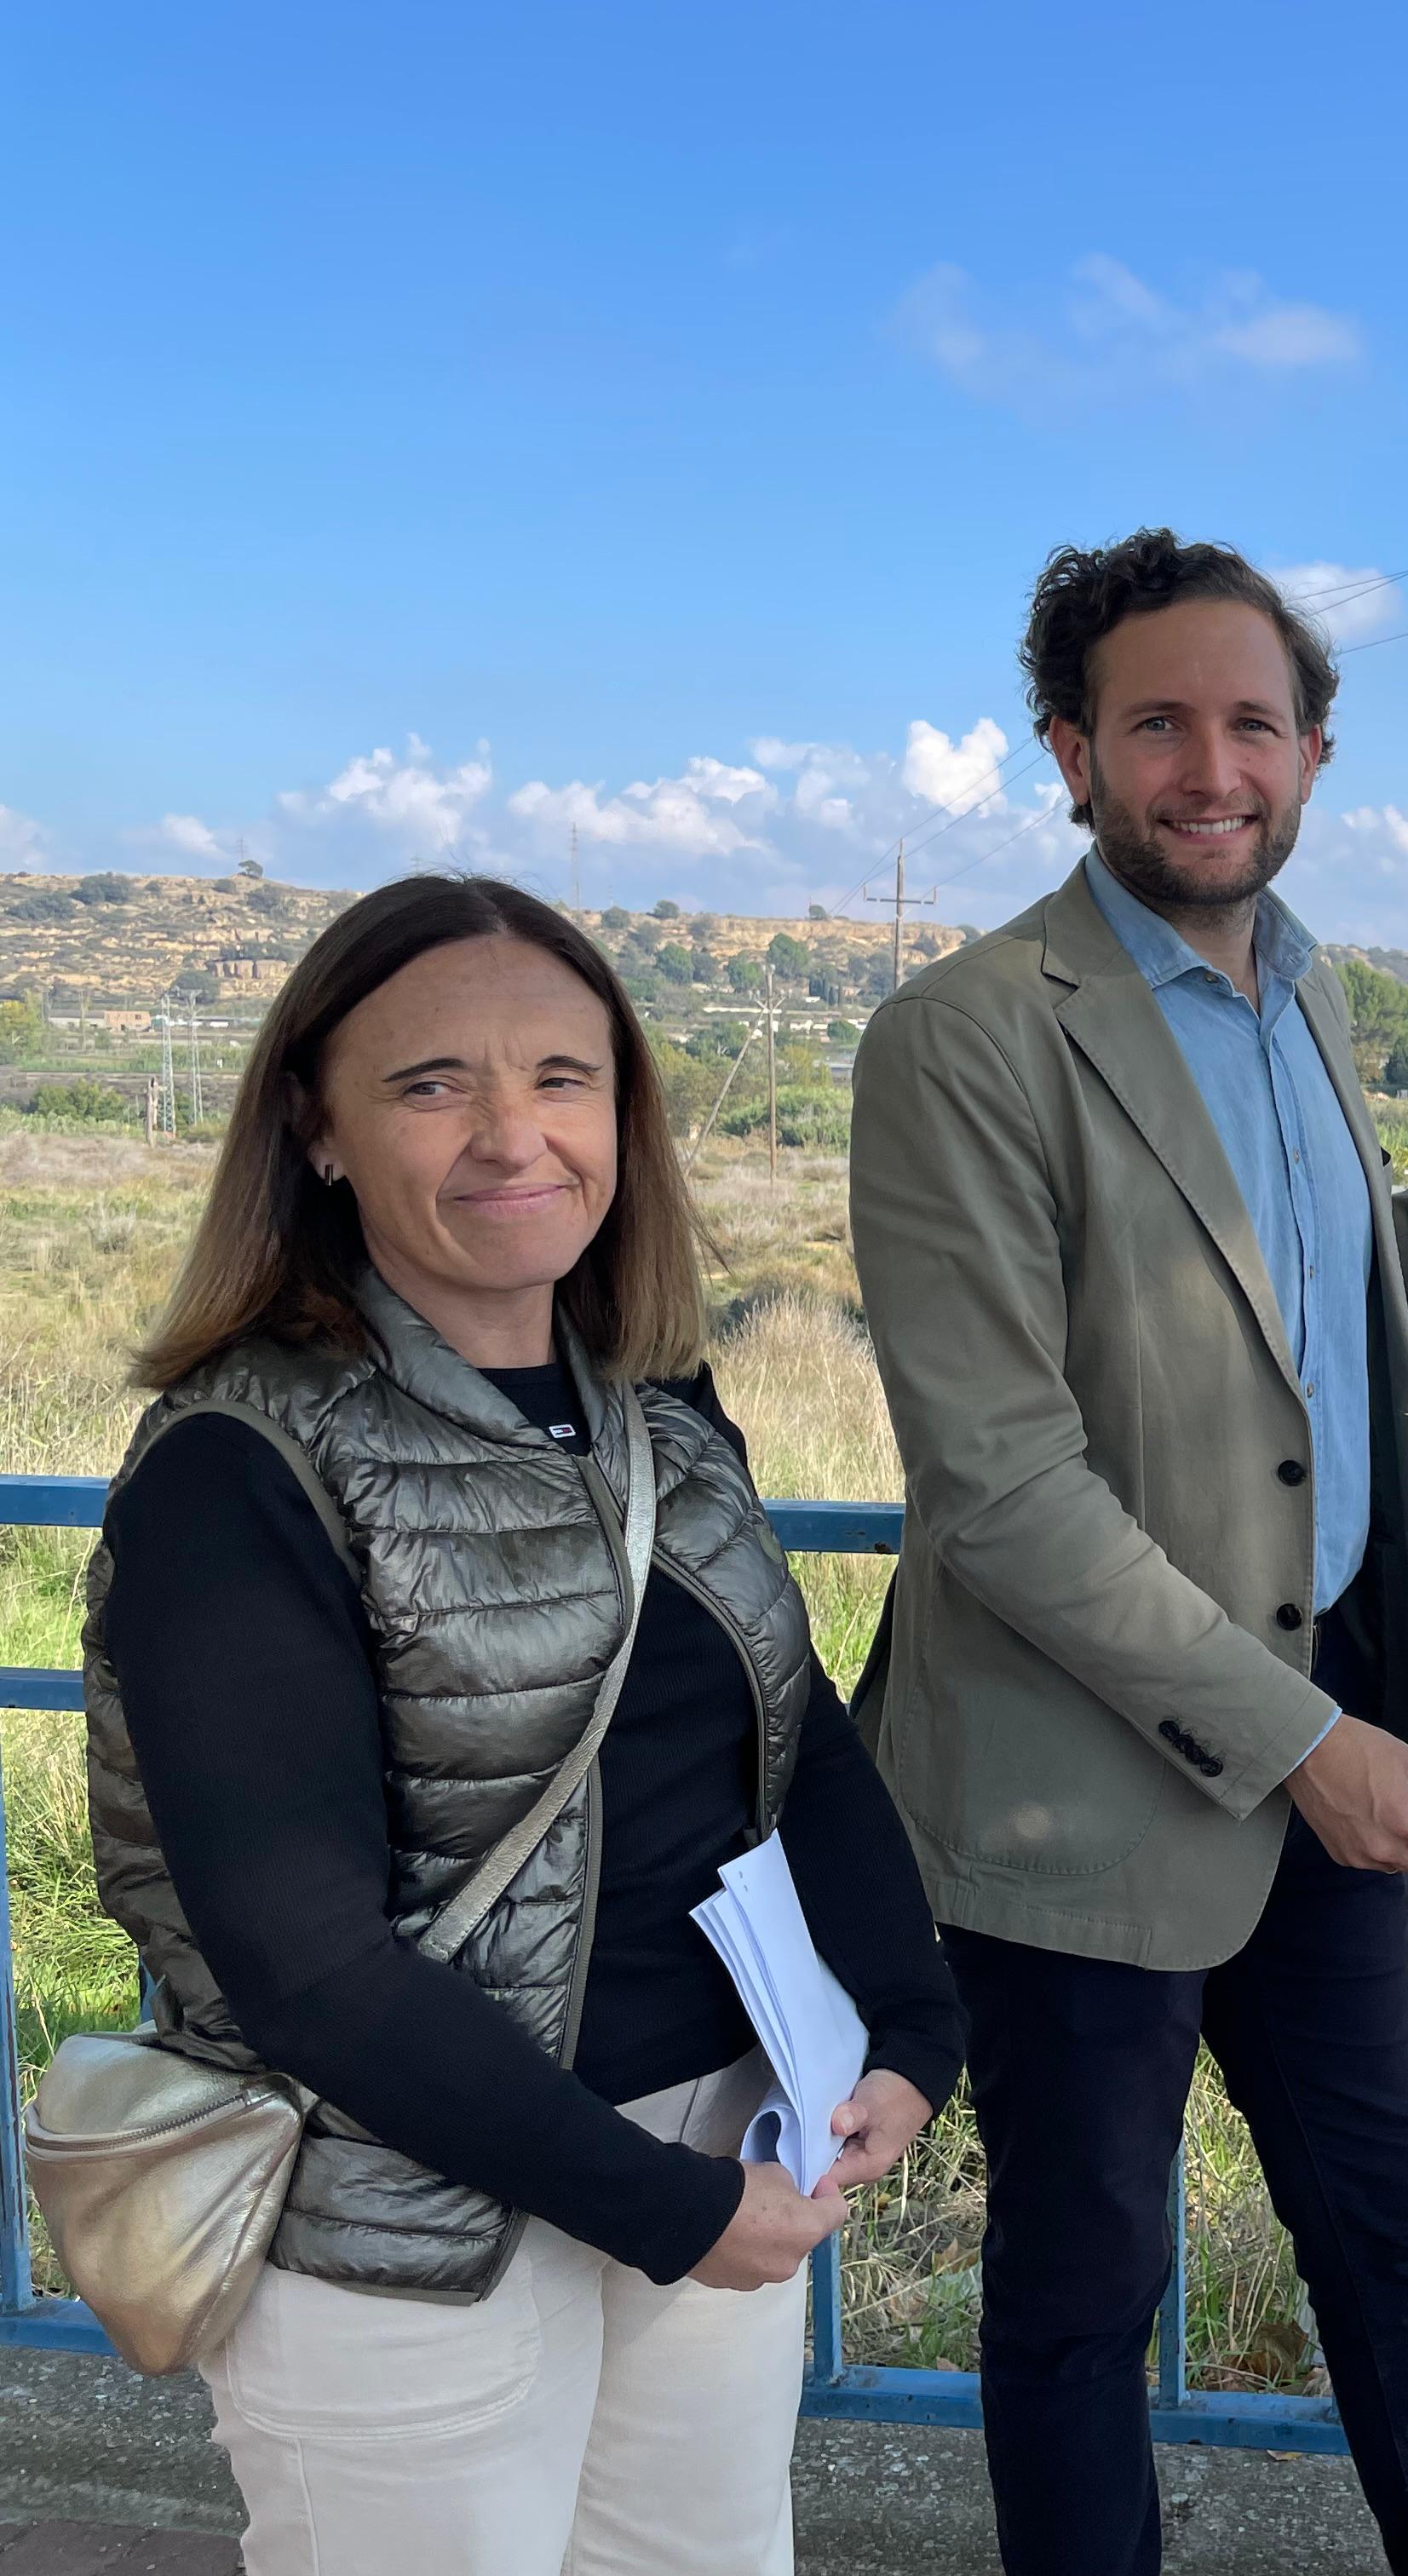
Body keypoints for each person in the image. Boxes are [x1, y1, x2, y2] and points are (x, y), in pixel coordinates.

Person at [849, 528, 1408, 2576]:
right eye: (1159, 725)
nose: (1212, 768)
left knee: (1397, 2236)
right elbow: (1003, 1483)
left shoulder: (1303, 999)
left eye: (1254, 723)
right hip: (1088, 1800)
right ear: (1070, 751)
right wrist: (1301, 1738)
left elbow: (1300, 1308)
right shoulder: (964, 1037)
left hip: (1324, 1755)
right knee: (1079, 2291)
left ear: (1312, 751)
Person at [83, 876, 963, 2576]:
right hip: (401, 2230)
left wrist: (914, 2031)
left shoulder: (662, 1405)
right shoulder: (241, 1469)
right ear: (315, 1130)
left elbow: (790, 1744)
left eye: (562, 1078)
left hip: (717, 2143)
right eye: (433, 1085)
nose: (513, 1135)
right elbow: (304, 1964)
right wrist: (660, 2211)